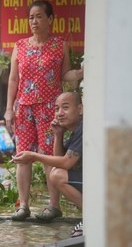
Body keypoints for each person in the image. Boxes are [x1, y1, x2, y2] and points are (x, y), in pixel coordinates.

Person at [4, 0, 84, 221]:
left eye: (39, 16)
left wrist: (78, 74)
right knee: (23, 156)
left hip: (51, 108)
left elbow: (64, 75)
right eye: (31, 17)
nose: (34, 21)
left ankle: (53, 205)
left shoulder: (60, 45)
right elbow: (13, 79)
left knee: (50, 157)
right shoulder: (20, 46)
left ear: (50, 20)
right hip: (25, 107)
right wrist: (9, 109)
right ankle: (24, 206)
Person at [12, 92, 83, 237]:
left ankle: (92, 217)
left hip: (109, 181)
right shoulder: (76, 131)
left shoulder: (83, 127)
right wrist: (58, 134)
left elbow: (66, 163)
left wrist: (33, 155)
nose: (60, 113)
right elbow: (60, 160)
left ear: (80, 109)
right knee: (56, 173)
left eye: (65, 107)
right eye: (57, 109)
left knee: (57, 176)